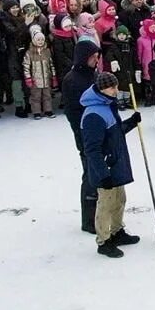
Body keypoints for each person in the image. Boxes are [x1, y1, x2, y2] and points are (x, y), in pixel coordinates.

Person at [80, 71, 142, 258]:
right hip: (105, 168)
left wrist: (131, 123)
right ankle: (104, 241)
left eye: (116, 86)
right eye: (112, 87)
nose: (116, 90)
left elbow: (115, 133)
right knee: (106, 204)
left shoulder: (107, 106)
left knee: (119, 200)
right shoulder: (93, 114)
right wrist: (103, 174)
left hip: (115, 163)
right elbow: (92, 149)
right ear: (101, 89)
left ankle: (117, 231)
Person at [63, 38, 102, 234]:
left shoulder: (94, 75)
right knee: (90, 174)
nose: (96, 60)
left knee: (100, 172)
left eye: (97, 56)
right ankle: (88, 220)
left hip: (100, 131)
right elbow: (72, 112)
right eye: (93, 57)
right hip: (85, 134)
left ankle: (102, 214)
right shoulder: (72, 80)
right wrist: (84, 131)